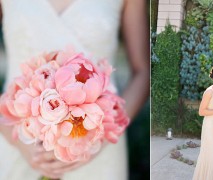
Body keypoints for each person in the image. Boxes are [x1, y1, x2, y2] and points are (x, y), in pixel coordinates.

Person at [0, 0, 149, 179]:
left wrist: (98, 139)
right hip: (17, 141)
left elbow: (143, 72)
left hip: (98, 148)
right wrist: (15, 137)